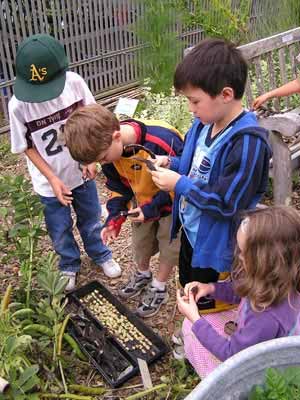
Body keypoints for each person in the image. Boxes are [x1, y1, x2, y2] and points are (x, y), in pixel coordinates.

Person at [150, 38, 272, 313]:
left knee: (210, 297)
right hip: (193, 232)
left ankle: (204, 339)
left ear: (226, 95)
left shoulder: (248, 143)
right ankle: (192, 328)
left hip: (217, 242)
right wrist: (171, 162)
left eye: (195, 101)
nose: (191, 109)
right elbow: (197, 165)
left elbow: (227, 203)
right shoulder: (204, 124)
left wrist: (179, 184)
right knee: (189, 282)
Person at [9, 34, 121, 291]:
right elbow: (26, 146)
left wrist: (90, 160)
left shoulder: (75, 84)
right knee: (59, 228)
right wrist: (51, 177)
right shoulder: (18, 105)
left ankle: (100, 253)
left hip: (81, 173)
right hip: (50, 182)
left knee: (91, 217)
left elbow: (92, 120)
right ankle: (69, 264)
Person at [63, 103, 183, 317]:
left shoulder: (160, 140)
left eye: (102, 159)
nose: (102, 163)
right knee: (141, 243)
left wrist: (151, 207)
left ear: (117, 136)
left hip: (172, 204)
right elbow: (117, 187)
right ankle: (143, 274)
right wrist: (114, 218)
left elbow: (183, 178)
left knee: (169, 247)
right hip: (141, 201)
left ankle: (159, 286)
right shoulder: (108, 150)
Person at [176, 206, 300, 378]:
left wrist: (195, 318)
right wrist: (210, 288)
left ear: (265, 261)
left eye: (242, 252)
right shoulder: (276, 280)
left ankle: (214, 380)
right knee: (194, 323)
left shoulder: (266, 317)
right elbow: (243, 290)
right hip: (255, 338)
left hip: (258, 369)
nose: (238, 256)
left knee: (191, 328)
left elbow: (232, 356)